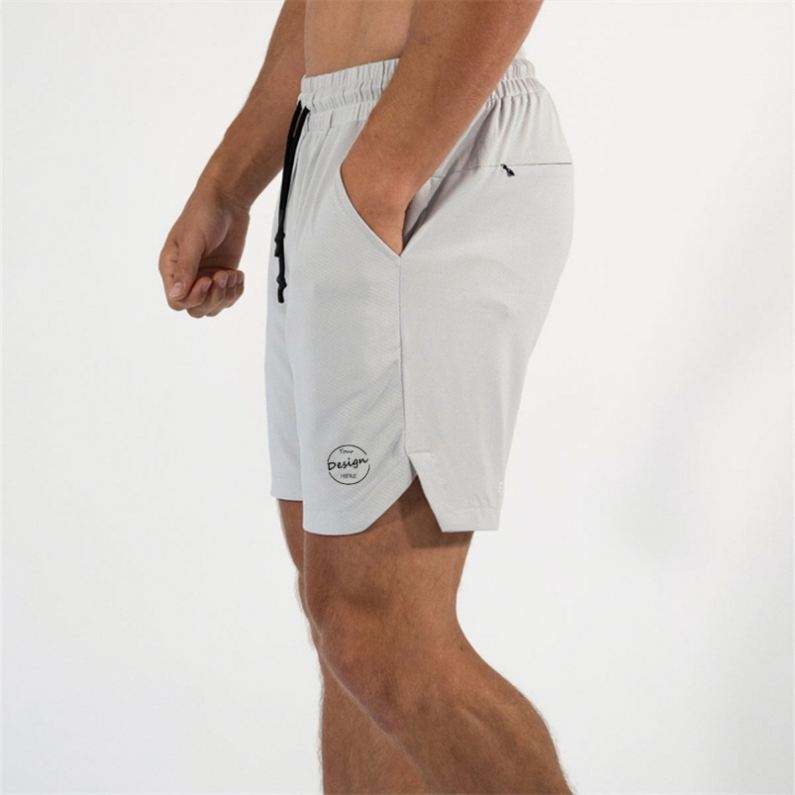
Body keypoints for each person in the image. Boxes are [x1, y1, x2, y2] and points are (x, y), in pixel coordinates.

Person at [158, 1, 573, 791]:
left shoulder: (387, 167)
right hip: (332, 140)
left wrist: (380, 174)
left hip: (429, 136)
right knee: (342, 624)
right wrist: (228, 184)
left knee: (377, 631)